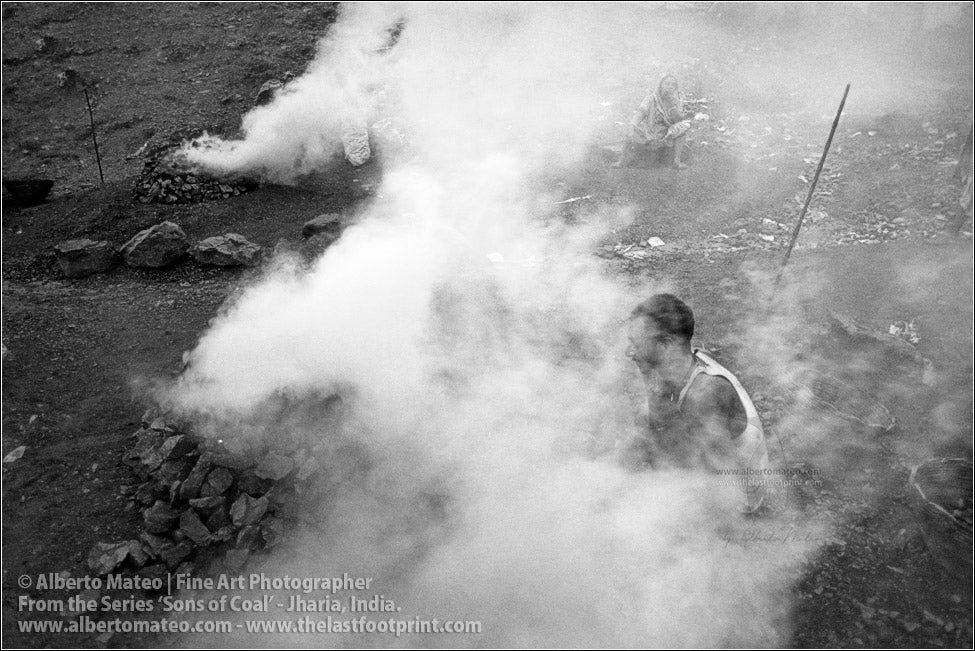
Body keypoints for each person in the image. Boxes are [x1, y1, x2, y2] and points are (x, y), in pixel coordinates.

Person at [625, 293, 769, 514]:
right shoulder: (678, 365)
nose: (629, 353)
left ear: (665, 344)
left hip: (739, 496)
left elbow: (726, 490)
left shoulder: (707, 394)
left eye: (636, 344)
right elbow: (653, 428)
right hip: (706, 471)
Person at [614, 74, 693, 170]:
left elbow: (678, 120)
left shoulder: (677, 102)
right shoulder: (650, 99)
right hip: (649, 134)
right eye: (667, 84)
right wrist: (633, 126)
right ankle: (621, 162)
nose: (670, 87)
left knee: (683, 128)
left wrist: (671, 105)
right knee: (631, 129)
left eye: (673, 85)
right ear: (661, 86)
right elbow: (640, 113)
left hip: (667, 136)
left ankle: (676, 162)